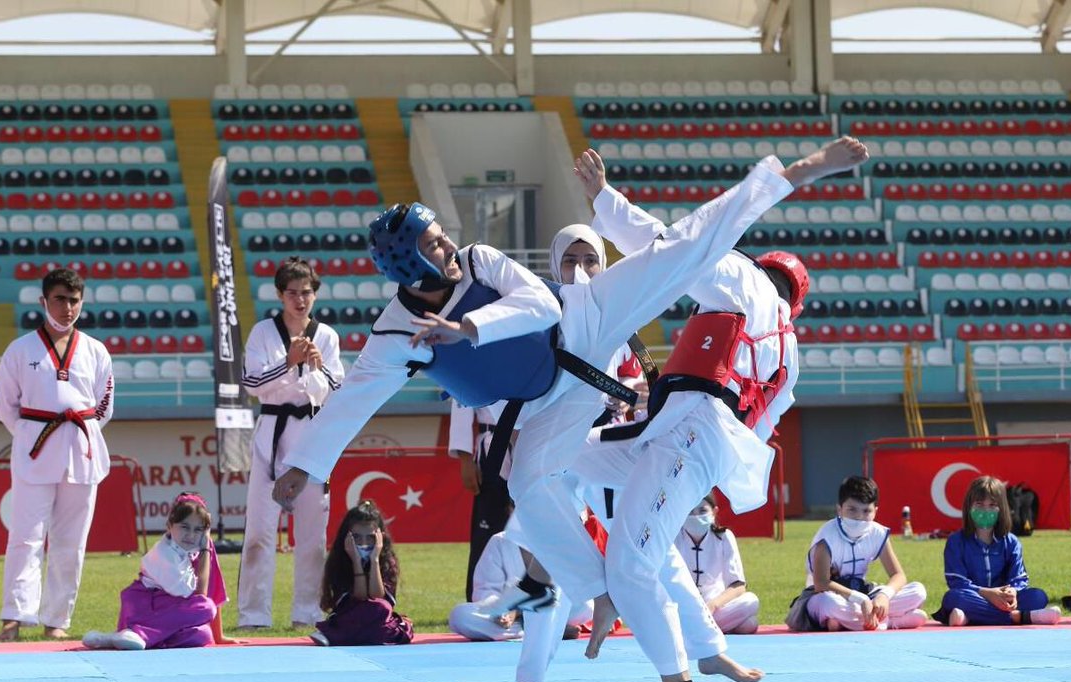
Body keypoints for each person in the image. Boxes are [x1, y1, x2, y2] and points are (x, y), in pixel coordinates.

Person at [272, 140, 864, 645]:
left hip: (588, 324)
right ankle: (600, 591)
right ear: (405, 265)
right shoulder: (396, 332)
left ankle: (793, 173)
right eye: (430, 245)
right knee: (529, 485)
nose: (446, 247)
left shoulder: (480, 260)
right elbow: (356, 396)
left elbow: (540, 303)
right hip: (556, 399)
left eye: (440, 235)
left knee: (682, 248)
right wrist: (304, 463)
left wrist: (467, 328)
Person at [551, 142, 867, 682]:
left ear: (761, 268)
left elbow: (672, 245)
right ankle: (607, 591)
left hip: (684, 438)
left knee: (628, 558)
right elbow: (764, 422)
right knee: (558, 458)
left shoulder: (743, 280)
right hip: (686, 441)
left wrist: (605, 202)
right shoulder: (789, 352)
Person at [0, 267, 114, 642]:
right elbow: (4, 406)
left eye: (74, 300)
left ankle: (57, 620)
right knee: (25, 538)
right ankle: (13, 618)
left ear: (83, 302)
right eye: (60, 299)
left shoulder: (95, 351)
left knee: (71, 542)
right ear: (43, 301)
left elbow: (104, 407)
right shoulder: (21, 349)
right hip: (35, 448)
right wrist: (32, 434)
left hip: (81, 447)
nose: (68, 307)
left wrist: (70, 434)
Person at [237, 257, 344, 630]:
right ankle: (253, 615)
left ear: (315, 294)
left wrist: (315, 366)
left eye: (307, 293)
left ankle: (308, 612)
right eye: (293, 293)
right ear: (280, 295)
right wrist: (288, 362)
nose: (300, 300)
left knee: (313, 534)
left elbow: (336, 388)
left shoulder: (326, 336)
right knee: (259, 532)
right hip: (273, 433)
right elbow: (252, 384)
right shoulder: (263, 333)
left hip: (312, 436)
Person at [83, 493, 231, 650]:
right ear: (169, 525)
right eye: (185, 527)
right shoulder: (164, 553)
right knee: (206, 607)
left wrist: (218, 637)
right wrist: (206, 549)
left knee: (202, 635)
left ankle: (135, 638)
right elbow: (200, 595)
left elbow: (214, 588)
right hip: (145, 607)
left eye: (198, 529)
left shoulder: (189, 551)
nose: (191, 535)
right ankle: (138, 633)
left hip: (166, 609)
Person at [786, 476, 928, 633]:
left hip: (864, 593)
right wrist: (860, 599)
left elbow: (898, 575)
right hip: (827, 595)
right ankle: (888, 622)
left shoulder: (878, 533)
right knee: (828, 603)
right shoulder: (826, 537)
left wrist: (884, 596)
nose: (859, 517)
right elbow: (821, 583)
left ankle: (845, 623)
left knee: (918, 591)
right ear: (839, 509)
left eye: (866, 511)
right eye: (852, 509)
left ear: (876, 511)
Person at [933, 476, 1060, 627]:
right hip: (974, 596)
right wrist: (987, 593)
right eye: (979, 504)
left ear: (1002, 509)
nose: (985, 510)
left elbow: (1019, 579)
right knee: (952, 598)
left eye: (992, 505)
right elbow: (958, 582)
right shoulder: (956, 541)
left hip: (1001, 600)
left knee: (1038, 596)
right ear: (969, 507)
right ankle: (1021, 617)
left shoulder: (1011, 542)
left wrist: (1012, 591)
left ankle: (971, 618)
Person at [448, 530, 591, 642]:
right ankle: (553, 630)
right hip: (506, 617)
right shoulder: (500, 542)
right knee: (460, 615)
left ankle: (541, 628)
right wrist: (503, 610)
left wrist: (518, 611)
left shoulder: (560, 540)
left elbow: (571, 588)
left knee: (587, 605)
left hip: (550, 609)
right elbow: (485, 591)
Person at [310, 500, 414, 646]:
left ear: (379, 537)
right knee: (363, 611)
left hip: (378, 616)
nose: (364, 544)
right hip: (350, 615)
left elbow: (377, 595)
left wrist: (375, 560)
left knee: (379, 607)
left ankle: (343, 637)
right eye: (357, 538)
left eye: (370, 538)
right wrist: (357, 562)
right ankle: (349, 634)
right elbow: (359, 597)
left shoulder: (386, 560)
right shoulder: (339, 560)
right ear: (347, 537)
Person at [449, 399, 514, 602]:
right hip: (492, 445)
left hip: (530, 442)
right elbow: (461, 398)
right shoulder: (471, 365)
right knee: (488, 528)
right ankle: (480, 598)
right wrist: (465, 459)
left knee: (530, 527)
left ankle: (530, 599)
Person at [672, 494, 760, 634]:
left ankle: (693, 629)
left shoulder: (724, 536)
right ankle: (707, 628)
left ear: (714, 512)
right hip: (682, 608)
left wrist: (713, 605)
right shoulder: (673, 538)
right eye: (690, 512)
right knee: (747, 625)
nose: (696, 517)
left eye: (702, 511)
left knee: (751, 601)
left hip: (716, 607)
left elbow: (738, 586)